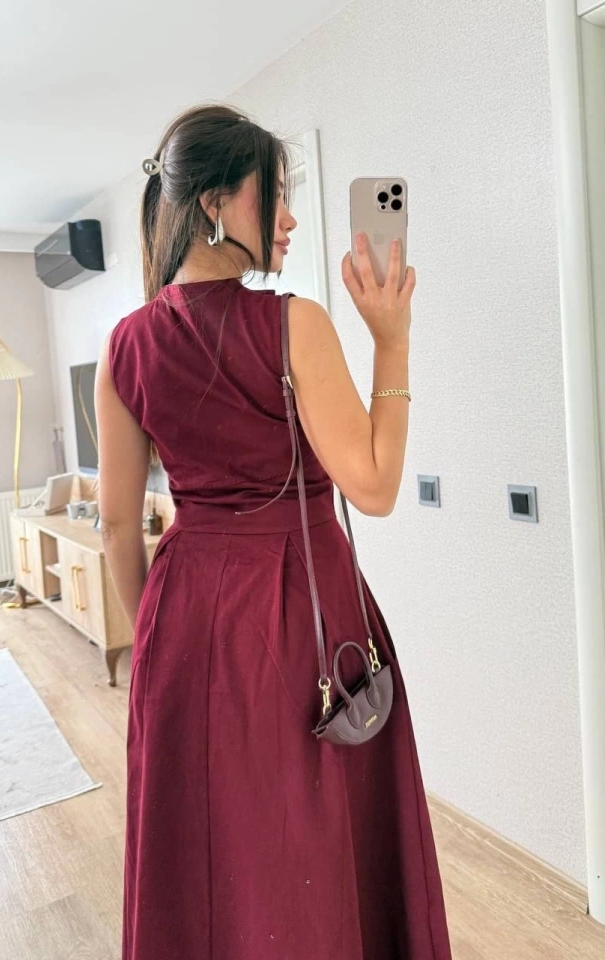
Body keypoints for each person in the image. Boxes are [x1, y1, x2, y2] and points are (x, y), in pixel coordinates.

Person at [95, 102, 452, 960]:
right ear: (216, 202)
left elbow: (114, 526)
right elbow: (373, 487)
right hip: (298, 608)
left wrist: (158, 651)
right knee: (311, 830)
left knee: (209, 842)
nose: (289, 218)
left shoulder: (124, 346)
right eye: (275, 195)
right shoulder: (293, 323)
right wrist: (392, 342)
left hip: (182, 614)